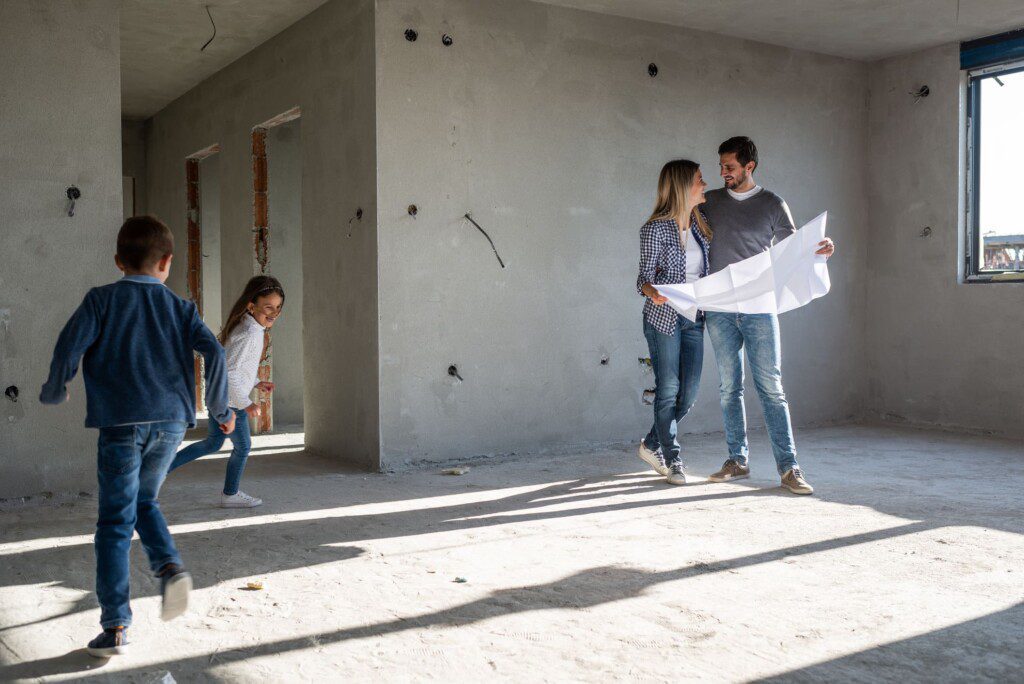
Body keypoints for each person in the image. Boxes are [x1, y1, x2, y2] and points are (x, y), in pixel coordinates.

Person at [39, 215, 235, 657]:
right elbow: (215, 352)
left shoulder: (101, 300)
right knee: (144, 501)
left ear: (118, 261)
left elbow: (69, 344)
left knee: (113, 522)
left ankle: (116, 627)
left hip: (121, 425)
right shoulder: (181, 307)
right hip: (170, 423)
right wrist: (221, 410)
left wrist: (56, 387)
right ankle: (168, 567)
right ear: (166, 262)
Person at [701, 137, 834, 495]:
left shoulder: (773, 204)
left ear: (749, 167)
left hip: (760, 307)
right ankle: (737, 460)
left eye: (729, 167)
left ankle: (789, 468)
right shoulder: (709, 201)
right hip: (719, 309)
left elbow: (795, 251)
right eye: (721, 167)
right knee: (729, 388)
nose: (723, 173)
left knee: (771, 389)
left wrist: (821, 251)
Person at [169, 275, 285, 508]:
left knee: (212, 443)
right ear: (252, 305)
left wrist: (255, 382)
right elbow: (230, 373)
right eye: (268, 307)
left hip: (220, 398)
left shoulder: (249, 325)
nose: (274, 313)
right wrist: (245, 402)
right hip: (230, 403)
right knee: (243, 447)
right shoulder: (251, 334)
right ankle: (230, 494)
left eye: (278, 307)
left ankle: (158, 468)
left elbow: (238, 368)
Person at [635, 159, 712, 485]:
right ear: (683, 187)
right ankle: (673, 459)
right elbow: (642, 280)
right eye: (699, 179)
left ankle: (651, 444)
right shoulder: (654, 229)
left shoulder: (702, 225)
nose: (705, 184)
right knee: (668, 391)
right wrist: (653, 292)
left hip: (694, 319)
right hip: (664, 319)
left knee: (688, 394)